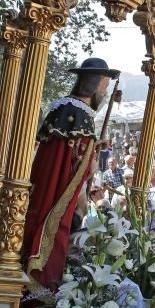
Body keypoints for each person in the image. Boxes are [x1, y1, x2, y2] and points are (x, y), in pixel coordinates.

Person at [22, 57, 119, 295]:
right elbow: (78, 161)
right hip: (59, 191)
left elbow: (69, 151)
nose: (104, 93)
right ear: (95, 85)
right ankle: (41, 291)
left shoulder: (62, 106)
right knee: (55, 234)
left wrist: (92, 150)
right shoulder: (81, 114)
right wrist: (92, 165)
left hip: (44, 184)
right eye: (104, 87)